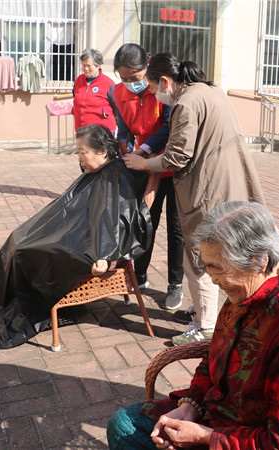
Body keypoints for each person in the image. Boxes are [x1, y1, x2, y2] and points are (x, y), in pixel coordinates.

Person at [107, 201, 279, 449]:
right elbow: (213, 358)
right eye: (208, 266)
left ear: (260, 261)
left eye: (216, 268)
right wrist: (190, 406)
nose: (213, 278)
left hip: (250, 438)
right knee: (124, 425)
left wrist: (205, 437)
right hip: (221, 414)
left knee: (126, 431)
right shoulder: (245, 290)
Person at [0, 124, 153, 349]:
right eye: (77, 152)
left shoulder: (116, 177)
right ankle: (11, 301)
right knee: (18, 239)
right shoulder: (96, 174)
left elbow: (118, 227)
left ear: (102, 152)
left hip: (92, 249)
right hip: (80, 236)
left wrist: (107, 257)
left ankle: (28, 305)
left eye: (82, 152)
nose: (79, 158)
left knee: (26, 250)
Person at [123, 53, 264, 345]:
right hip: (230, 179)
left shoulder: (185, 102)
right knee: (227, 250)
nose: (153, 94)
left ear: (165, 81)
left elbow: (177, 156)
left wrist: (143, 164)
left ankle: (206, 327)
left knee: (201, 257)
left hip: (209, 187)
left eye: (152, 88)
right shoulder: (210, 90)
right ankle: (211, 311)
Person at [113, 43, 185, 309]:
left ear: (147, 68)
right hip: (144, 165)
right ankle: (138, 275)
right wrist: (125, 148)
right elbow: (123, 129)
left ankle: (175, 284)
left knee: (177, 228)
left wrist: (143, 150)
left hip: (171, 162)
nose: (130, 83)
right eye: (123, 78)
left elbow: (168, 126)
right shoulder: (118, 92)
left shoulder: (161, 88)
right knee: (145, 221)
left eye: (135, 77)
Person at [72, 49, 117, 133]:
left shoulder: (108, 84)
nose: (86, 69)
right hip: (82, 131)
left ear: (97, 65)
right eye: (84, 65)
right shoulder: (78, 81)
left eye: (89, 66)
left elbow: (116, 107)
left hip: (102, 132)